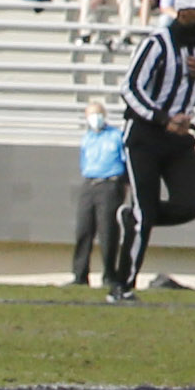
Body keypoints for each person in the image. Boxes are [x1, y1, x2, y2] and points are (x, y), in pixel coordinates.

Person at [110, 13, 195, 298]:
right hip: (145, 134)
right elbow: (129, 88)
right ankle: (122, 286)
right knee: (146, 210)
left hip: (179, 138)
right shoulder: (156, 44)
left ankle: (134, 219)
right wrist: (162, 118)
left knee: (188, 205)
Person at [69, 100, 127, 292]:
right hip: (90, 183)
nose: (95, 118)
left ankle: (109, 275)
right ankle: (79, 275)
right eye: (91, 114)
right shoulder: (87, 138)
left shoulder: (116, 136)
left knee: (108, 231)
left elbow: (125, 160)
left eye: (97, 113)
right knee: (83, 230)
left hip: (110, 183)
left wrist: (121, 185)